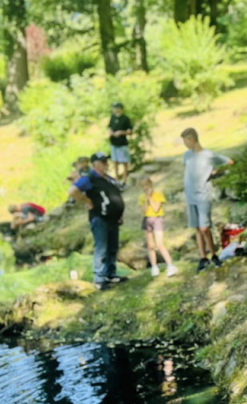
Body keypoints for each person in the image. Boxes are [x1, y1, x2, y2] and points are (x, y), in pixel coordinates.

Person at [68, 152, 128, 291]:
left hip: (113, 218)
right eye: (102, 163)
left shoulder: (108, 179)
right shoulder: (89, 179)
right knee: (101, 249)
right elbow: (73, 191)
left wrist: (118, 213)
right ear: (95, 165)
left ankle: (110, 274)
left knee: (113, 247)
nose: (105, 165)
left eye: (106, 162)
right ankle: (99, 279)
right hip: (100, 218)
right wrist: (87, 201)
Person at [181, 128, 233, 273]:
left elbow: (229, 161)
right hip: (190, 195)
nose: (185, 144)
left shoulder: (208, 155)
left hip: (203, 194)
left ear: (192, 139)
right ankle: (203, 258)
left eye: (185, 141)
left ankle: (214, 255)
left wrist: (214, 172)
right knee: (198, 228)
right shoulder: (186, 155)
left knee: (205, 227)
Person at [138, 177, 178, 278]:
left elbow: (156, 208)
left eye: (146, 186)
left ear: (150, 184)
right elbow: (143, 211)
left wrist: (150, 198)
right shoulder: (141, 197)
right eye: (143, 187)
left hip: (157, 219)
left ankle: (170, 265)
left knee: (159, 244)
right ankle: (154, 266)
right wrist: (146, 199)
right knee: (150, 245)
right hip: (147, 220)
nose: (145, 188)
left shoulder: (158, 194)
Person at [108, 102, 132, 188]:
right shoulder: (112, 117)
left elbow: (130, 131)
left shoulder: (125, 119)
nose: (116, 109)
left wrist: (121, 132)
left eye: (117, 108)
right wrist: (111, 132)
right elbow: (109, 127)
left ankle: (124, 181)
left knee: (124, 162)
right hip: (114, 144)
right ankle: (117, 181)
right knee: (115, 162)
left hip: (122, 144)